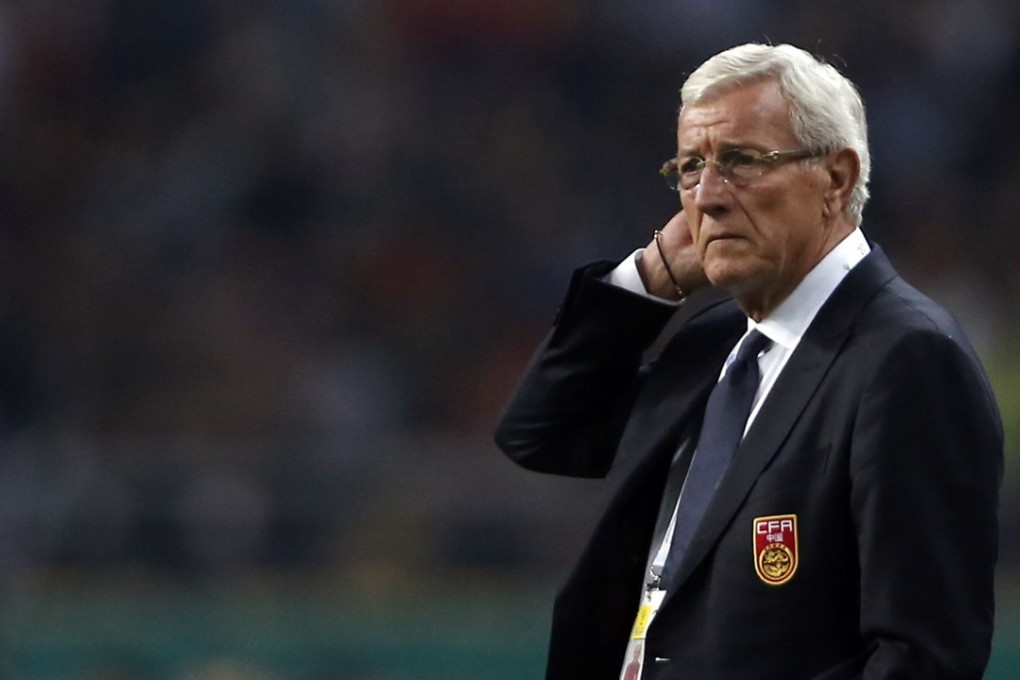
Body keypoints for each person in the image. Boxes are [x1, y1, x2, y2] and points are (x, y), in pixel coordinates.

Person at [494, 43, 1003, 680]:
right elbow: (540, 434)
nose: (706, 196)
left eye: (740, 161)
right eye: (689, 168)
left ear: (836, 180)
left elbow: (923, 658)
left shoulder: (906, 357)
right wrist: (649, 277)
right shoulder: (713, 346)